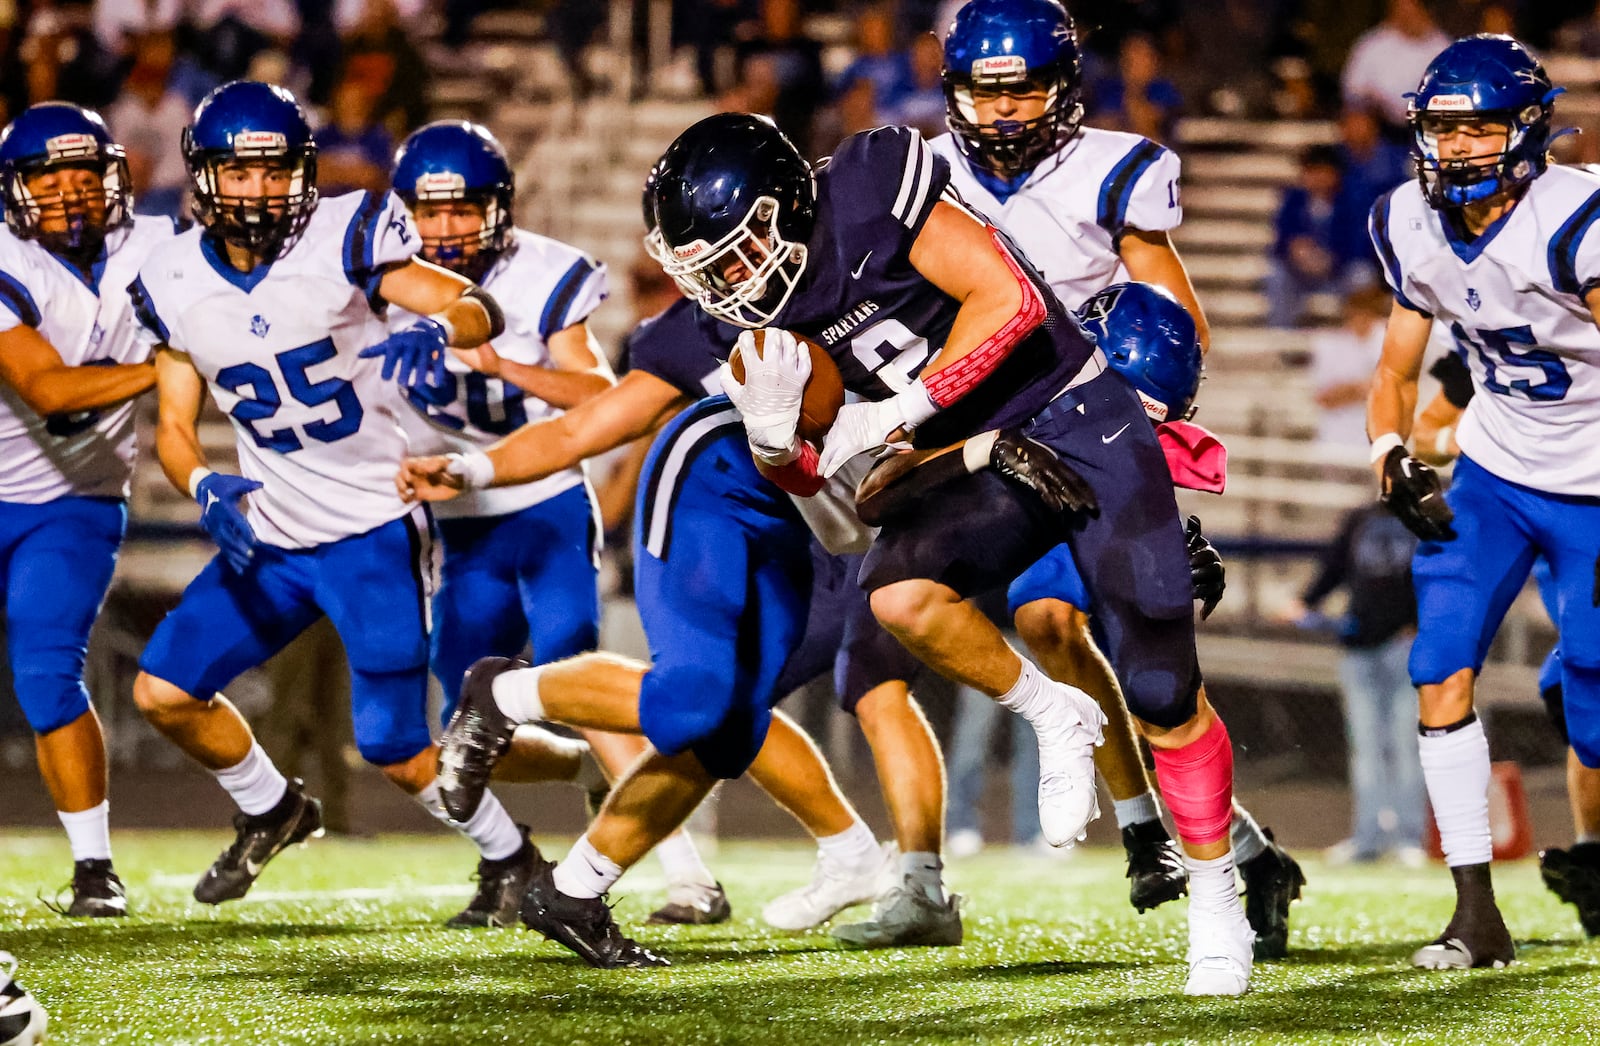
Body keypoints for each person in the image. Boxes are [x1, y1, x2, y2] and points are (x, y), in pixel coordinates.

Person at [645, 101, 1252, 993]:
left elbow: (1006, 302)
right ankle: (1056, 713)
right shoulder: (745, 324)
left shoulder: (867, 185)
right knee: (897, 595)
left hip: (1073, 411)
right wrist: (781, 450)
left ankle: (1216, 895)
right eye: (708, 272)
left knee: (1162, 687)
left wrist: (894, 411)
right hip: (968, 458)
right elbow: (833, 498)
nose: (728, 286)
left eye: (736, 254)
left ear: (783, 207)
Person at [399, 219, 970, 951]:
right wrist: (474, 470)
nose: (733, 270)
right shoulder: (693, 331)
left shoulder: (864, 273)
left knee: (728, 729)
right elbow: (584, 430)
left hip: (807, 530)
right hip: (712, 490)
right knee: (699, 698)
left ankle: (573, 893)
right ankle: (503, 693)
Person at [124, 80, 543, 924]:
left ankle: (515, 859)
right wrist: (201, 482)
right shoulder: (166, 274)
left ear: (303, 173)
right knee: (162, 692)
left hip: (371, 530)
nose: (257, 191)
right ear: (202, 178)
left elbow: (476, 303)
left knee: (392, 745)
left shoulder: (341, 233)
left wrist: (438, 327)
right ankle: (274, 808)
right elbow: (174, 423)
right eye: (237, 174)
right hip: (272, 537)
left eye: (274, 170)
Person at [934, 0, 1302, 960]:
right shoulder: (921, 174)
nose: (1005, 110)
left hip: (1098, 421)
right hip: (993, 429)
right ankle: (1160, 827)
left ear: (1061, 89)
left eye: (1023, 90)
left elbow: (1171, 313)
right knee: (1043, 625)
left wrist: (1159, 437)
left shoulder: (1112, 171)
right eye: (986, 89)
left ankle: (1214, 846)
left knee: (1145, 673)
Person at [388, 120, 726, 927]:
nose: (446, 229)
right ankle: (538, 826)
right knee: (462, 728)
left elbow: (600, 399)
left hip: (542, 506)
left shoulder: (538, 275)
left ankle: (690, 877)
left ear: (498, 207)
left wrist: (501, 361)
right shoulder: (382, 281)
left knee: (576, 679)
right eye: (430, 213)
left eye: (463, 209)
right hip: (459, 523)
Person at [1365, 34, 1600, 970]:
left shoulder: (1573, 217)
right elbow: (1393, 367)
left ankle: (1571, 683)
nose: (1458, 147)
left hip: (1594, 484)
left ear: (1528, 131)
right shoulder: (1407, 222)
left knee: (1591, 711)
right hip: (1496, 473)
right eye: (1443, 128)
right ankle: (1476, 916)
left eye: (1480, 127)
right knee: (1439, 666)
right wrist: (1389, 452)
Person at [0, 102, 171, 917]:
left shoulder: (159, 247)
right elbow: (49, 390)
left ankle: (95, 868)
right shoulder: (4, 257)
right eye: (48, 178)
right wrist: (165, 371)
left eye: (83, 175)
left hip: (74, 500)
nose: (69, 194)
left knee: (45, 673)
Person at [1412, 350, 1600, 936]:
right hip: (1532, 517)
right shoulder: (1494, 346)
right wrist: (1477, 438)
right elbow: (1422, 435)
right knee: (1570, 689)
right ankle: (1593, 851)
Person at [1278, 504, 1423, 864]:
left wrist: (1423, 623)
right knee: (1367, 746)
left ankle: (1408, 838)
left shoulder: (1425, 516)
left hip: (1406, 648)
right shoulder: (1360, 518)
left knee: (1406, 745)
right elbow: (1336, 567)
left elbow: (1438, 574)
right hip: (1359, 649)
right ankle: (1368, 837)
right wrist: (1305, 602)